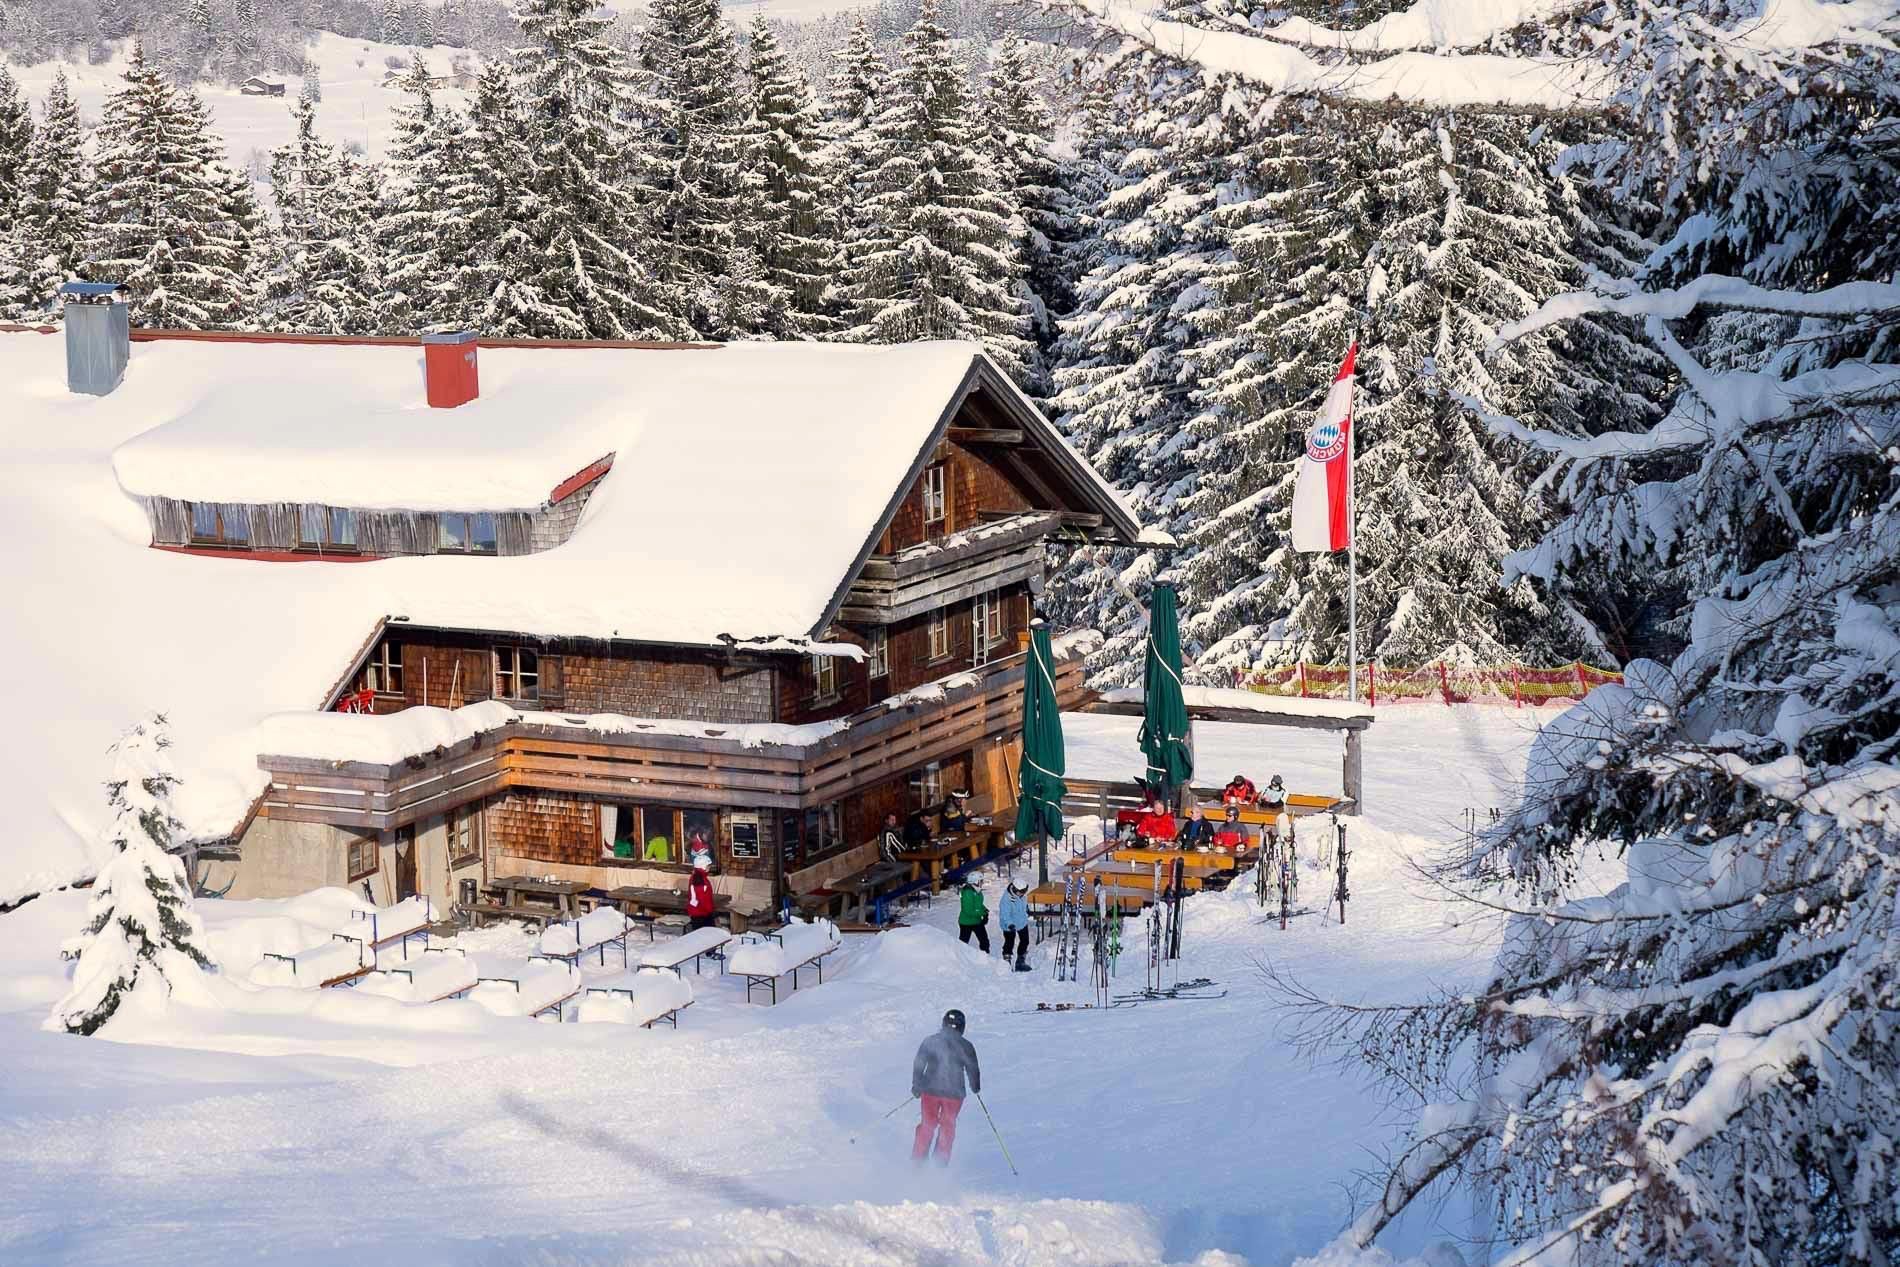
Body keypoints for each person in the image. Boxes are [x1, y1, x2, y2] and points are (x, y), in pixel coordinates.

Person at [912, 1009, 981, 1164]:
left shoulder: (931, 1041)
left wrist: (917, 1084)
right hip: (950, 1094)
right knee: (946, 1126)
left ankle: (919, 1159)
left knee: (929, 1124)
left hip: (935, 1091)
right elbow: (973, 1068)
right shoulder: (965, 1045)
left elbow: (919, 1064)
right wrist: (975, 1085)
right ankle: (939, 1161)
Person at [998, 880, 1031, 971]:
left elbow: (1024, 904)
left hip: (1021, 921)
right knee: (1009, 942)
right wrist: (1010, 924)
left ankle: (1020, 961)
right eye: (1021, 892)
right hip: (1009, 924)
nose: (1023, 894)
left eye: (1024, 892)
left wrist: (1027, 910)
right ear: (1015, 890)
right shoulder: (1006, 899)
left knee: (1025, 940)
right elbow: (1004, 914)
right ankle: (1007, 961)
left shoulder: (1022, 894)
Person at [957, 878, 990, 952]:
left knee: (984, 941)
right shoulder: (967, 892)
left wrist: (985, 910)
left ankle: (986, 958)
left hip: (977, 921)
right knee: (963, 943)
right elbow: (968, 911)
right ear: (975, 881)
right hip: (966, 922)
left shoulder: (977, 890)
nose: (982, 883)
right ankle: (960, 958)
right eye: (980, 881)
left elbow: (978, 904)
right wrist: (983, 913)